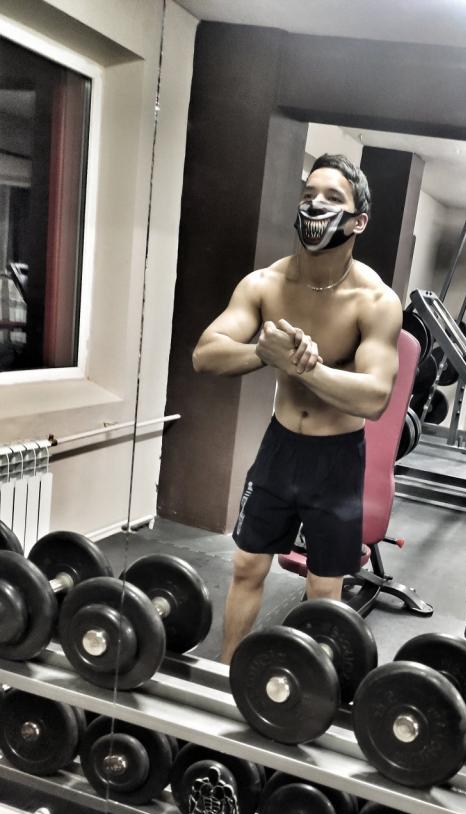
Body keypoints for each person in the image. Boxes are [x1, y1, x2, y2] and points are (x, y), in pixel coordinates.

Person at [192, 153, 402, 664]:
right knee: (247, 565)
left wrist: (306, 368)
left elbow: (375, 397)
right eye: (309, 195)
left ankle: (309, 689)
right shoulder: (264, 284)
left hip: (337, 459)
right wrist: (263, 354)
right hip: (280, 448)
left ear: (358, 221)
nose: (315, 205)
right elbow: (205, 354)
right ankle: (227, 675)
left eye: (332, 198)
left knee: (324, 588)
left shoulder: (375, 301)